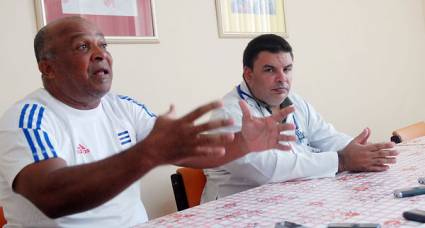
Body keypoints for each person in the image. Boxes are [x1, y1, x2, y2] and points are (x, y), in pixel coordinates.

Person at [0, 17, 296, 227]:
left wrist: (243, 144)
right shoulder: (27, 119)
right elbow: (52, 197)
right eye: (82, 47)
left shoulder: (124, 108)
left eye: (103, 45)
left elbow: (185, 150)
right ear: (47, 67)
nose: (101, 54)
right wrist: (147, 154)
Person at [201, 34, 399, 203]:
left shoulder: (293, 101)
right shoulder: (228, 114)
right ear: (248, 74)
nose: (282, 78)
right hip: (238, 210)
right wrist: (342, 160)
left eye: (287, 69)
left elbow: (325, 136)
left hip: (291, 200)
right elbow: (267, 170)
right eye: (270, 70)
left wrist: (354, 149)